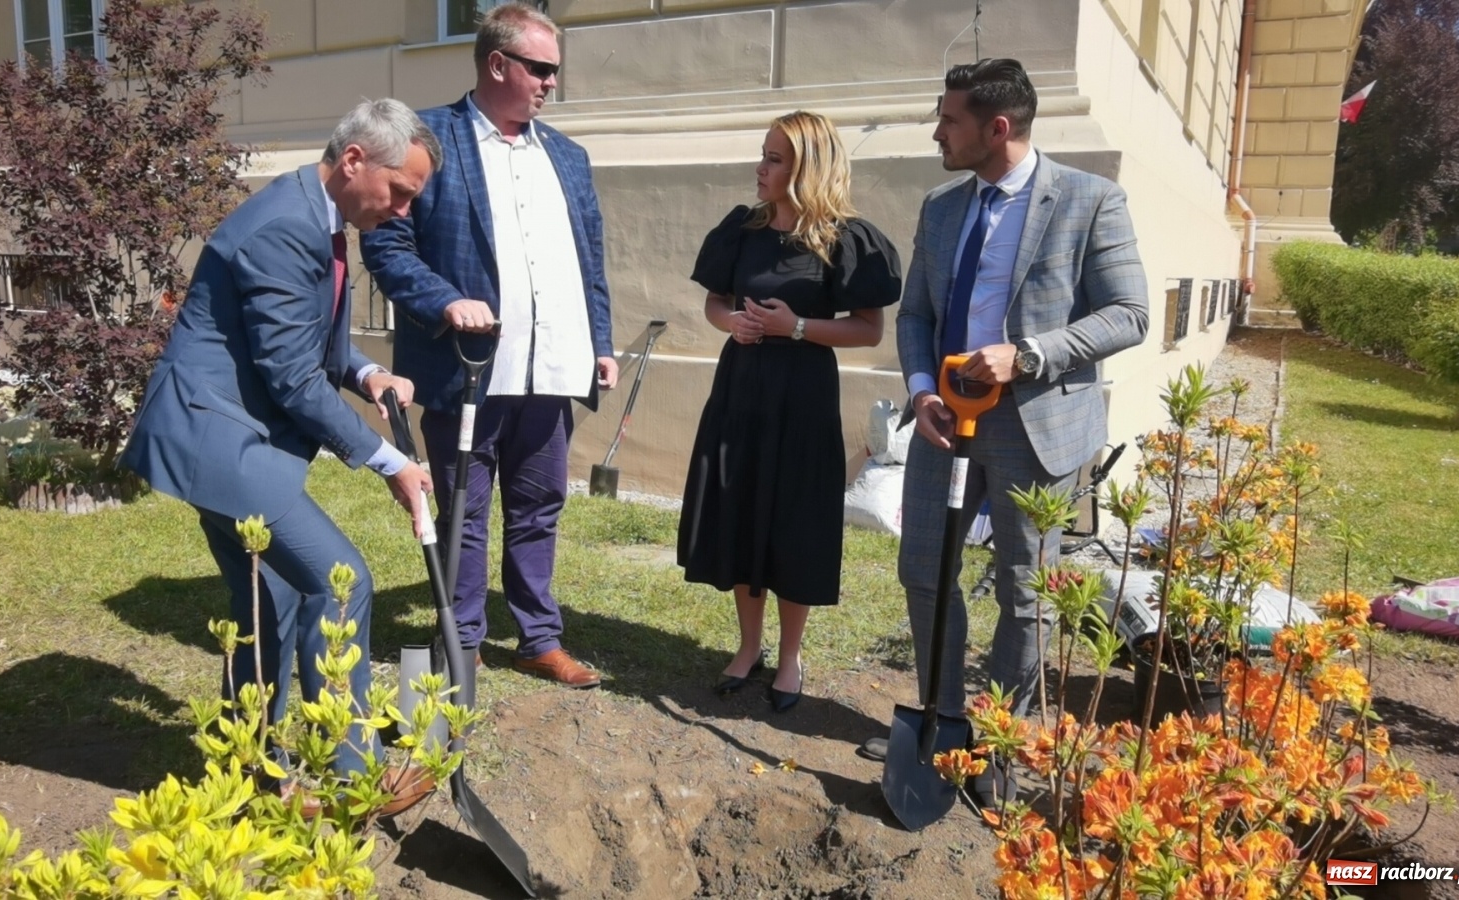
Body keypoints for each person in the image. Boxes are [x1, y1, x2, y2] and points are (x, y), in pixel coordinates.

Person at [121, 98, 441, 813]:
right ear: (355, 160)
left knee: (271, 600)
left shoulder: (315, 215)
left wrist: (367, 373)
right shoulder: (288, 227)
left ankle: (248, 770)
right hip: (217, 440)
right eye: (400, 192)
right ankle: (352, 774)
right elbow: (293, 377)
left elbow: (304, 334)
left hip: (226, 437)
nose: (403, 211)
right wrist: (390, 461)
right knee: (340, 582)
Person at [863, 59, 1149, 805]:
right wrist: (922, 389)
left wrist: (1027, 356)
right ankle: (940, 723)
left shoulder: (1090, 200)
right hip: (945, 423)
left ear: (996, 128)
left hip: (1036, 426)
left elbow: (1129, 314)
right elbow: (916, 313)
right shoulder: (941, 206)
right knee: (924, 570)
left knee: (1025, 592)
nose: (937, 132)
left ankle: (997, 743)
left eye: (948, 119)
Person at [360, 3, 616, 688]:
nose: (551, 83)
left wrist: (600, 340)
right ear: (498, 64)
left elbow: (589, 260)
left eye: (554, 71)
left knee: (539, 505)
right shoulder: (429, 140)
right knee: (464, 511)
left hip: (551, 367)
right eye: (541, 69)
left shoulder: (567, 156)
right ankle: (463, 638)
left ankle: (539, 638)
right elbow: (386, 242)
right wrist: (444, 300)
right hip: (467, 370)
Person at [679, 111, 903, 714]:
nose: (760, 167)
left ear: (807, 167)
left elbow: (868, 329)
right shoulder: (742, 229)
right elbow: (715, 302)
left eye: (774, 159)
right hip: (741, 388)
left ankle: (790, 657)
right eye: (763, 154)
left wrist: (796, 326)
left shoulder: (845, 239)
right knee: (742, 509)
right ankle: (748, 647)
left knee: (793, 521)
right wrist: (732, 323)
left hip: (802, 397)